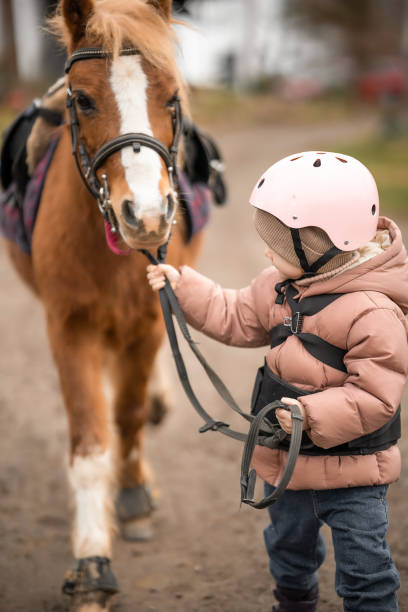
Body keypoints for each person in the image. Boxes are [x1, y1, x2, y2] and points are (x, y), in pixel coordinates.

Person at [146, 151, 408, 612]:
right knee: (287, 553)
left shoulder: (374, 312)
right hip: (286, 464)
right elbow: (233, 315)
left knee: (364, 570)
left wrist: (309, 415)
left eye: (278, 243)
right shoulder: (280, 285)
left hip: (355, 474)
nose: (267, 251)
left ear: (321, 243)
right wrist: (181, 286)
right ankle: (293, 602)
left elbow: (376, 398)